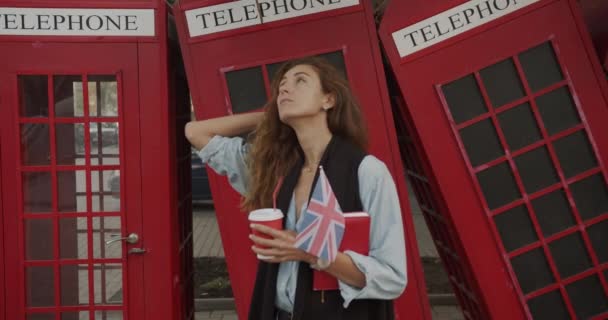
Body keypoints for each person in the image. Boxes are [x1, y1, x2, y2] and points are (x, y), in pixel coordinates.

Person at [185, 57, 407, 320]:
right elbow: (195, 132)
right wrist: (270, 116)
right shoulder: (275, 171)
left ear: (329, 100)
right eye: (282, 87)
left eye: (300, 80)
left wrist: (309, 251)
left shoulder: (366, 171)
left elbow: (392, 277)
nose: (285, 89)